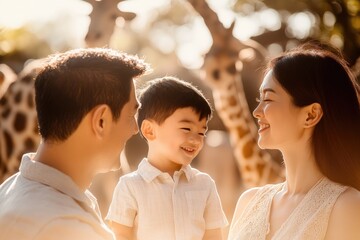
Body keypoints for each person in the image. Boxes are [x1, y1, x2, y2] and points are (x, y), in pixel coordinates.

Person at [0, 48, 150, 240]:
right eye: (131, 115)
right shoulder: (67, 229)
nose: (135, 129)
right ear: (101, 121)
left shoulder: (10, 190)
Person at [227, 41, 360, 240]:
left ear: (311, 115)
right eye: (258, 101)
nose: (256, 112)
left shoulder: (347, 206)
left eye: (268, 99)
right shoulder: (249, 201)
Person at [106, 76, 229, 240]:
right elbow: (121, 236)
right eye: (186, 128)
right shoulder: (130, 186)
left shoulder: (205, 185)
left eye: (202, 132)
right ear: (149, 130)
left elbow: (214, 237)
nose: (196, 139)